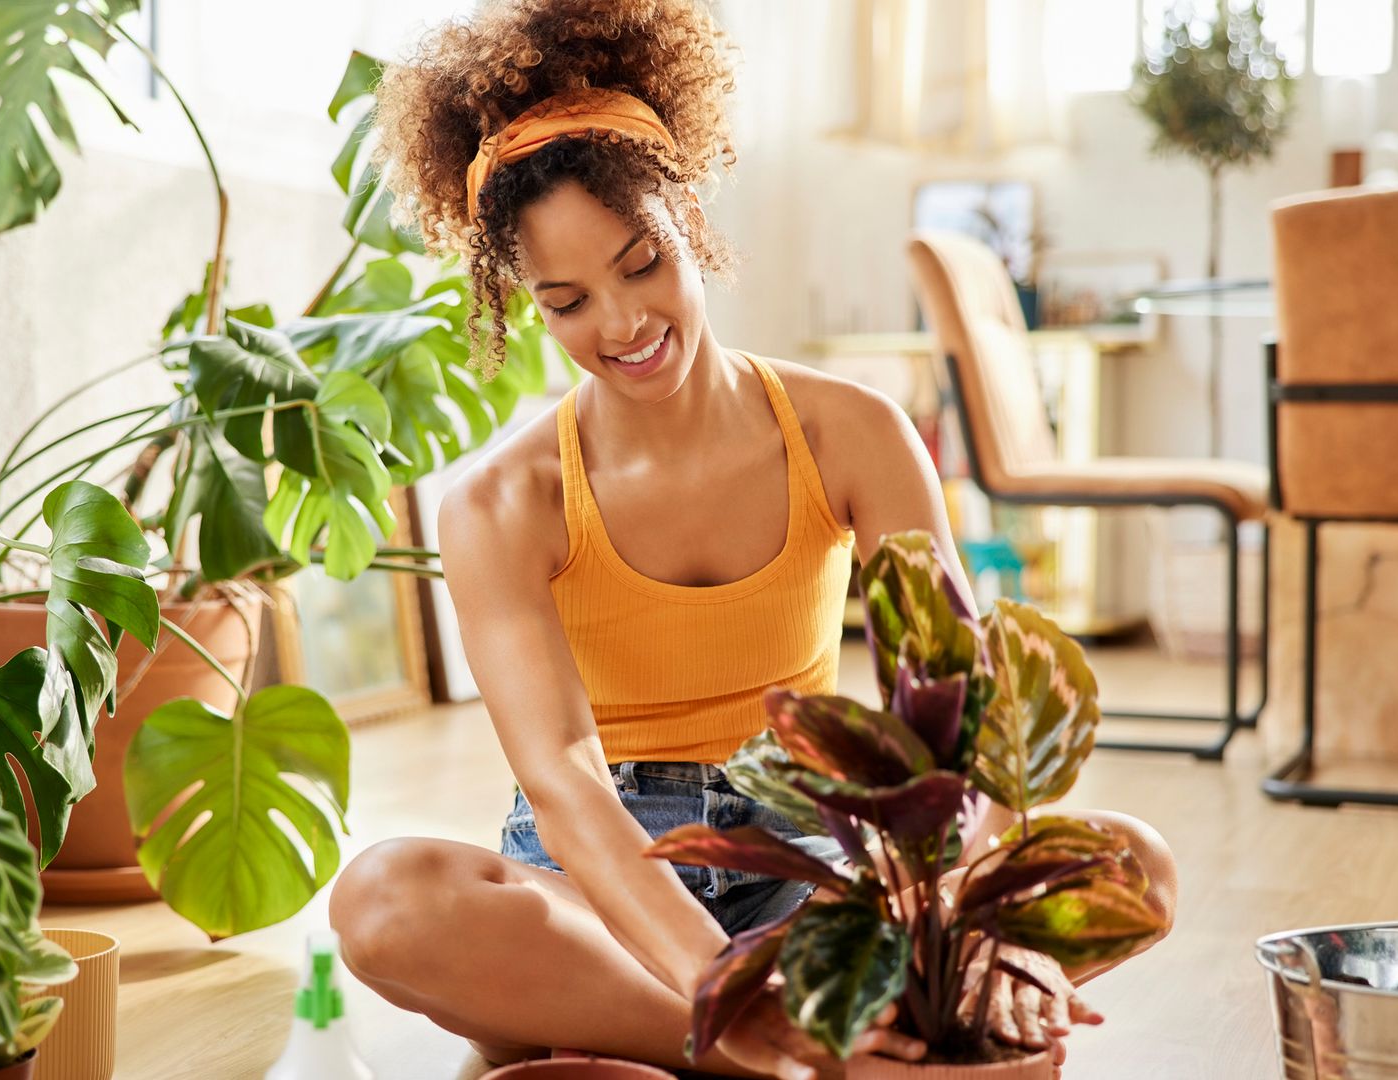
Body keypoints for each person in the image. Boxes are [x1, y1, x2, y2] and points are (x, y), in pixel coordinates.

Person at [327, 3, 1176, 1077]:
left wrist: (956, 918)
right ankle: (791, 1044)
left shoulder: (849, 430)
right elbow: (567, 787)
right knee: (387, 901)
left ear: (689, 213)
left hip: (811, 858)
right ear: (525, 305)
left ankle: (697, 1034)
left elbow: (954, 719)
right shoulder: (505, 499)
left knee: (1130, 864)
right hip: (599, 883)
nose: (623, 325)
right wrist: (720, 988)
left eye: (643, 264)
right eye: (568, 301)